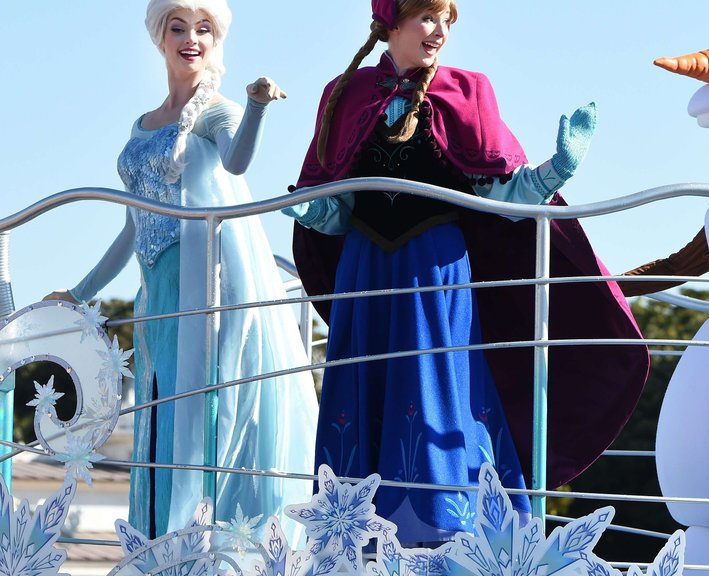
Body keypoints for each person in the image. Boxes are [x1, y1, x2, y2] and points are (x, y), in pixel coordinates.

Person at [284, 0, 649, 546]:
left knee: (435, 394)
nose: (440, 31)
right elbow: (336, 212)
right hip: (366, 276)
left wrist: (555, 171)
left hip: (436, 277)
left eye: (447, 20)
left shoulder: (466, 90)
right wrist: (312, 210)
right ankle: (356, 544)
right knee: (367, 394)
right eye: (428, 17)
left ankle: (446, 537)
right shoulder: (345, 93)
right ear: (392, 19)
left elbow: (503, 196)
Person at [46, 0, 317, 542]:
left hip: (210, 287)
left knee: (206, 409)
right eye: (178, 27)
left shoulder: (217, 111)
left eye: (203, 28)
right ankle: (158, 549)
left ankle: (203, 546)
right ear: (160, 37)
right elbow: (133, 227)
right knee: (160, 407)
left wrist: (256, 106)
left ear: (216, 40)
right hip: (159, 297)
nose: (191, 38)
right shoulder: (141, 125)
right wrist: (79, 293)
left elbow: (237, 162)